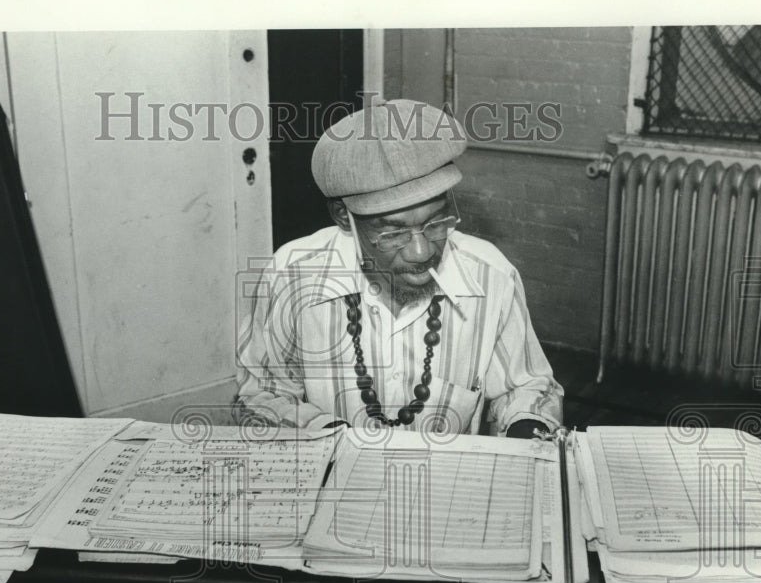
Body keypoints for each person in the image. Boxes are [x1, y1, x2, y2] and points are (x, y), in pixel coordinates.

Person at [235, 98, 562, 438]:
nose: (421, 252)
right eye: (393, 232)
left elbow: (525, 387)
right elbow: (261, 396)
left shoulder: (491, 275)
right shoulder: (291, 274)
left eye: (437, 223)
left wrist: (529, 426)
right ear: (342, 217)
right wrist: (332, 440)